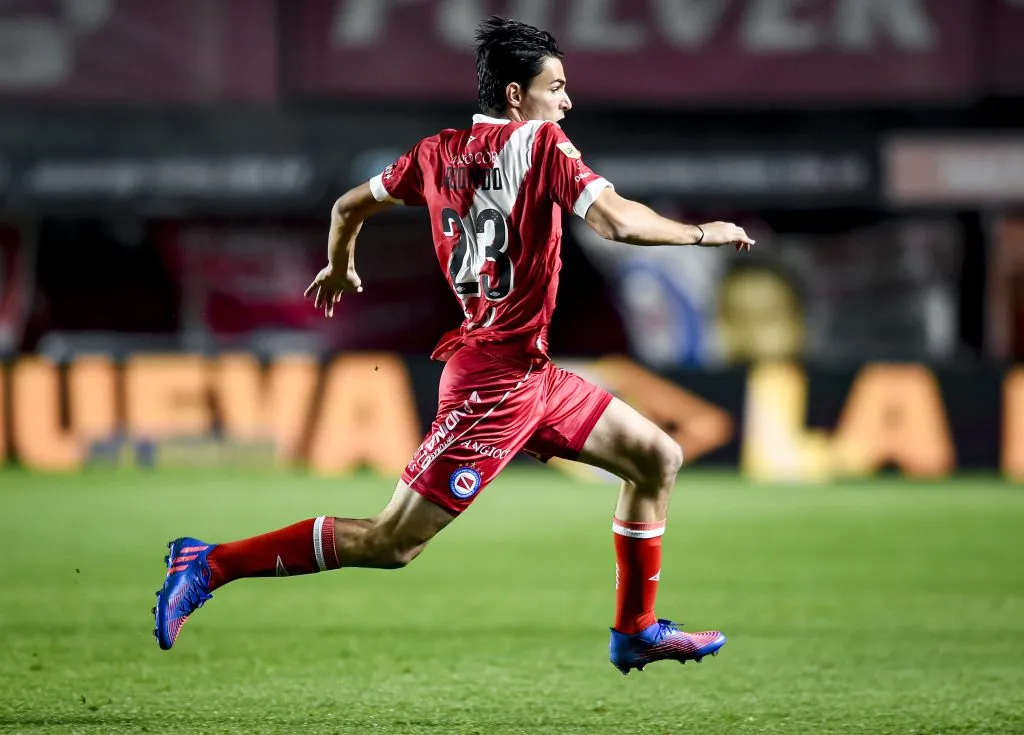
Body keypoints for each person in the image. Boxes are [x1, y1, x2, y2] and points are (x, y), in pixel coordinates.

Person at [153, 16, 753, 675]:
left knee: (655, 456)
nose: (567, 102)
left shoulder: (435, 153)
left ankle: (635, 630)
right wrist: (703, 234)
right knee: (391, 542)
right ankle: (209, 561)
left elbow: (349, 205)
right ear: (518, 98)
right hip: (492, 382)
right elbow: (617, 221)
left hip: (531, 372)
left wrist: (339, 263)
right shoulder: (543, 144)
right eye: (556, 87)